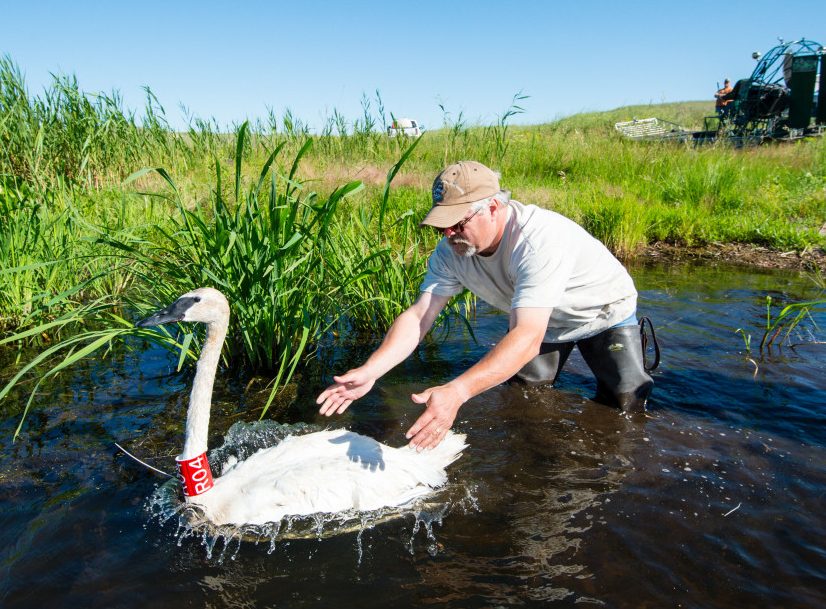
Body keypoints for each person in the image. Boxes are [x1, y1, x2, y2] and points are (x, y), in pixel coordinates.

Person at [316, 161, 653, 450]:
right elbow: (420, 315)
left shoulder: (538, 241)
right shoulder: (450, 251)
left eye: (458, 223)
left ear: (493, 207)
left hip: (601, 311)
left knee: (624, 405)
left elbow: (527, 335)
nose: (449, 234)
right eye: (441, 226)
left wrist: (457, 391)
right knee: (525, 396)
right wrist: (371, 370)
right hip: (540, 320)